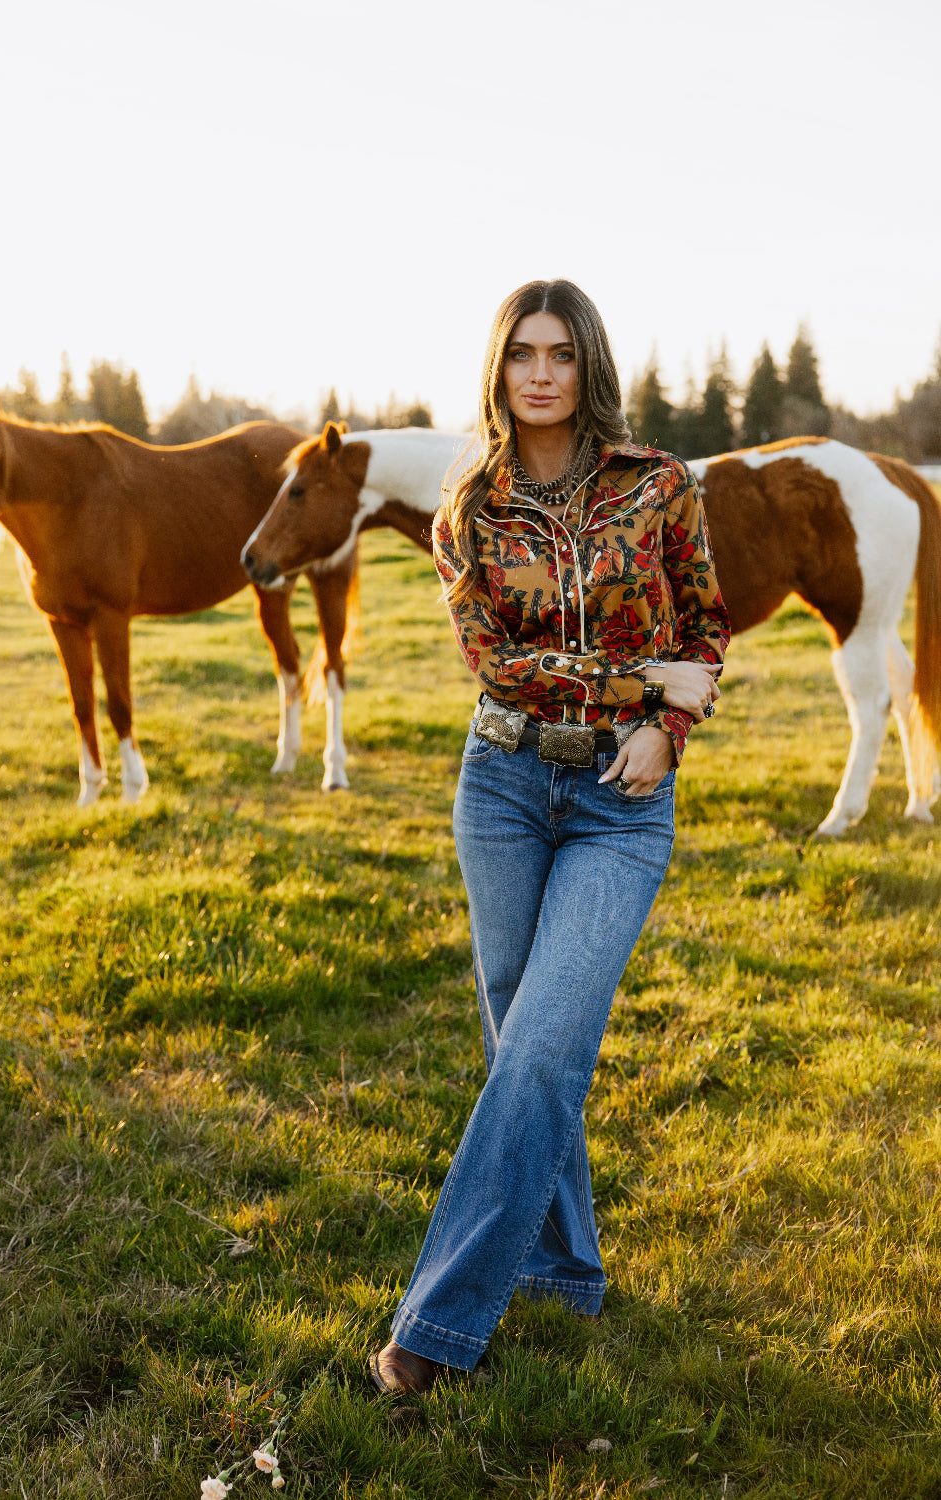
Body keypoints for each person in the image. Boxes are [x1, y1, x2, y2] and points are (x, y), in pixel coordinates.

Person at [369, 280, 730, 1394]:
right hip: (505, 787)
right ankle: (568, 1268)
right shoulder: (465, 507)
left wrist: (668, 724)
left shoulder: (659, 486)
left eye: (560, 354)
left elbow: (705, 636)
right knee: (523, 1045)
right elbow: (498, 665)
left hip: (622, 801)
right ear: (498, 366)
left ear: (588, 367)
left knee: (539, 1045)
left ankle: (431, 1332)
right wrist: (641, 677)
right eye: (521, 352)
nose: (539, 372)